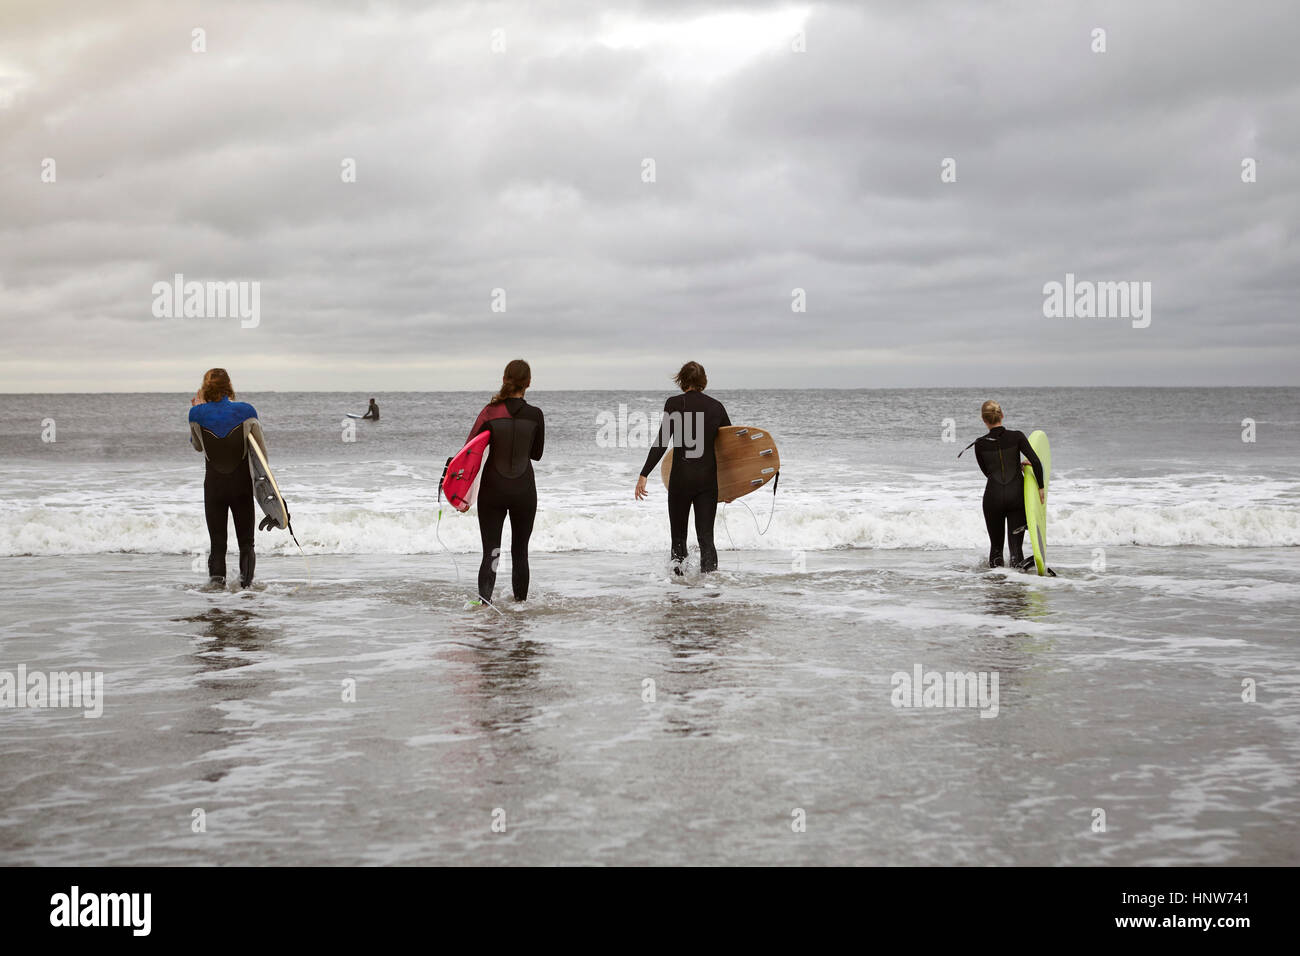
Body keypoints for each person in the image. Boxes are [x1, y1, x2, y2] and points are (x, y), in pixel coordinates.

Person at [634, 361, 731, 574]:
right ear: (703, 381)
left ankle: (678, 594)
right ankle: (710, 589)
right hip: (707, 481)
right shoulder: (717, 407)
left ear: (682, 380)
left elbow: (662, 441)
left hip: (681, 479)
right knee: (706, 538)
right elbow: (728, 449)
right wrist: (732, 487)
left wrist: (644, 473)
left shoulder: (674, 403)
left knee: (678, 539)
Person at [466, 359, 544, 605]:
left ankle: (484, 607)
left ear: (504, 379)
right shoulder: (535, 415)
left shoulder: (489, 412)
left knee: (491, 552)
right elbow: (537, 454)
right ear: (529, 383)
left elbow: (469, 452)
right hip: (524, 490)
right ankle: (520, 609)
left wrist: (461, 494)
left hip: (493, 491)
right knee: (520, 552)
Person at [188, 368, 269, 588]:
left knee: (217, 544)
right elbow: (260, 453)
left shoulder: (195, 414)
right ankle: (246, 592)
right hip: (241, 486)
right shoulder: (247, 411)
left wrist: (198, 408)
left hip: (214, 487)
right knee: (246, 543)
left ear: (205, 387)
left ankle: (215, 591)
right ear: (229, 385)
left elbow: (197, 446)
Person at [965, 400, 1045, 569]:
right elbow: (1036, 462)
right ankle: (1017, 587)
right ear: (1002, 415)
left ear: (983, 419)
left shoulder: (979, 444)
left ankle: (997, 587)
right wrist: (1040, 487)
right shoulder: (1017, 436)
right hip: (1016, 497)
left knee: (995, 549)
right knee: (1016, 550)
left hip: (992, 498)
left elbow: (987, 472)